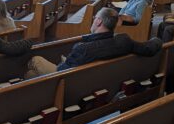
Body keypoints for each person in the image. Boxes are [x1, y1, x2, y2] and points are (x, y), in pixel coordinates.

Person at [25, 8, 163, 78]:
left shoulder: (82, 49)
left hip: (69, 84)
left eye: (95, 17)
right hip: (99, 83)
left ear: (99, 21)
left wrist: (64, 62)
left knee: (35, 60)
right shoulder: (124, 41)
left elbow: (61, 71)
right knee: (31, 75)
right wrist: (157, 39)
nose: (93, 20)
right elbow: (149, 49)